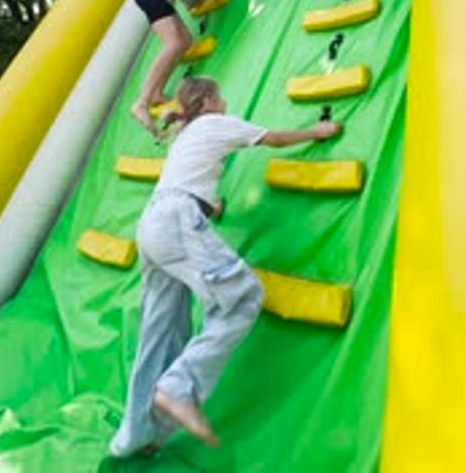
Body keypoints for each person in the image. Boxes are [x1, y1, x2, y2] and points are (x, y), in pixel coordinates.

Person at [109, 76, 342, 459]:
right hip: (176, 222)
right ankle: (175, 388)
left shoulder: (184, 136)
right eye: (221, 94)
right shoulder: (216, 123)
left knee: (161, 331)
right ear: (210, 100)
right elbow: (275, 139)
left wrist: (210, 206)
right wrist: (317, 130)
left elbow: (187, 184)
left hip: (152, 224)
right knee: (243, 297)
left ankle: (137, 434)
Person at [130, 0, 231, 136]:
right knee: (174, 43)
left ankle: (157, 93)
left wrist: (191, 0)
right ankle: (142, 102)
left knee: (184, 40)